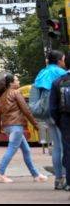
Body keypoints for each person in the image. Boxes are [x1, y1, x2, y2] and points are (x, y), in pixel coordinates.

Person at [0, 73, 48, 184]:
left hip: (8, 126)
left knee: (26, 150)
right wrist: (36, 125)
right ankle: (0, 173)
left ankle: (36, 175)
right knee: (12, 149)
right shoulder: (16, 93)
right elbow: (26, 110)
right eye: (17, 80)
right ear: (11, 83)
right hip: (16, 126)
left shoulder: (2, 96)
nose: (19, 82)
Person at [35, 50, 68, 190]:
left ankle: (58, 179)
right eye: (63, 59)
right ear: (60, 60)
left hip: (46, 113)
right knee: (64, 146)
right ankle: (65, 178)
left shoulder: (42, 73)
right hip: (60, 113)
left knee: (56, 146)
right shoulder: (61, 74)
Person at [49, 50, 70, 192]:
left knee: (67, 151)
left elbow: (53, 108)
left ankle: (68, 181)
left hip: (65, 119)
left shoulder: (58, 82)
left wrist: (61, 121)